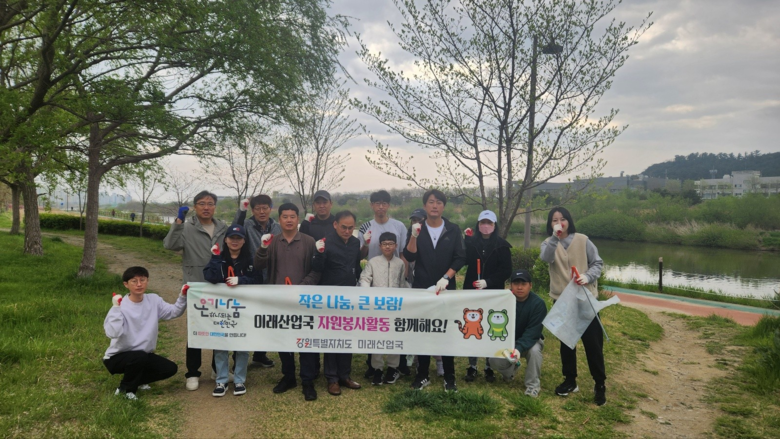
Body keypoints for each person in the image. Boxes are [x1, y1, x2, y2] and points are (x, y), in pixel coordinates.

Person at [254, 203, 322, 401]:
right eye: (285, 217)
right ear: (280, 219)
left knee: (305, 339)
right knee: (283, 339)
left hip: (303, 300)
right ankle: (288, 376)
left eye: (293, 216)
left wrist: (301, 288)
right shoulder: (273, 241)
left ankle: (307, 380)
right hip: (279, 300)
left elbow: (317, 270)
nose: (289, 220)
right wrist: (262, 248)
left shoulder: (309, 241)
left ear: (298, 219)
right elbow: (258, 265)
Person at [540, 206, 606, 406]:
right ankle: (570, 380)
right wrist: (554, 237)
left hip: (585, 299)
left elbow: (597, 263)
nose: (559, 223)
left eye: (562, 219)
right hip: (562, 300)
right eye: (554, 220)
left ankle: (600, 383)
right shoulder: (548, 243)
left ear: (569, 221)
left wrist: (587, 276)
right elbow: (546, 258)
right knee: (567, 343)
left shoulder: (583, 240)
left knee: (593, 344)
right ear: (550, 224)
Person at [163, 190, 228, 391]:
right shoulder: (187, 227)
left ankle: (218, 369)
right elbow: (169, 245)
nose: (206, 207)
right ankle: (192, 373)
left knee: (220, 327)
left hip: (219, 287)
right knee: (195, 330)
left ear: (215, 206)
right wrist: (178, 222)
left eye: (210, 203)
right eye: (202, 203)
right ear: (195, 206)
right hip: (196, 286)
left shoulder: (222, 227)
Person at [403, 189, 466, 392]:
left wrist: (447, 277)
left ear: (443, 206)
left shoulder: (453, 229)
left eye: (439, 202)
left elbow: (460, 257)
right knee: (423, 330)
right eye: (431, 202)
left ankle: (449, 376)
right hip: (422, 288)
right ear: (425, 206)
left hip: (445, 288)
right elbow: (410, 257)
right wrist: (414, 236)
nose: (435, 205)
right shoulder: (417, 228)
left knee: (446, 330)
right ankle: (422, 375)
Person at [103, 266, 188, 400]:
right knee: (139, 356)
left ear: (147, 281)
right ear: (126, 284)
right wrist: (116, 308)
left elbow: (173, 312)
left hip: (143, 355)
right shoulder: (121, 305)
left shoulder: (153, 300)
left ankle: (137, 380)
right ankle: (125, 390)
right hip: (117, 357)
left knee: (170, 368)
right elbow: (113, 333)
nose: (139, 284)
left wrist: (183, 296)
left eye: (142, 280)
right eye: (134, 281)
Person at [203, 224, 262, 397]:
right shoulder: (219, 257)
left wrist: (241, 280)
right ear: (226, 240)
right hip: (222, 309)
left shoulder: (250, 260)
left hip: (243, 309)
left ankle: (239, 379)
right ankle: (221, 380)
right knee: (220, 345)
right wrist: (215, 258)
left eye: (239, 238)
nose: (235, 241)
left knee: (242, 345)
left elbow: (258, 280)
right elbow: (210, 277)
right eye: (231, 238)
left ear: (244, 241)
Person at [357, 190, 408, 379]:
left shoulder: (399, 226)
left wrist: (405, 281)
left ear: (388, 205)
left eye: (384, 203)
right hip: (374, 287)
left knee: (394, 328)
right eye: (377, 203)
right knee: (374, 328)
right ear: (371, 205)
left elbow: (402, 254)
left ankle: (395, 366)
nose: (380, 206)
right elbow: (360, 255)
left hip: (394, 290)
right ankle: (374, 366)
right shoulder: (365, 227)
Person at [462, 210, 512, 383]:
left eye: (489, 223)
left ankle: (489, 365)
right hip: (472, 290)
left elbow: (506, 270)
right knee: (473, 327)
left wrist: (488, 282)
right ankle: (472, 365)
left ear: (494, 225)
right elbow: (464, 260)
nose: (485, 226)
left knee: (490, 326)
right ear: (478, 224)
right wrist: (466, 241)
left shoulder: (502, 246)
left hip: (493, 292)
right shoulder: (472, 242)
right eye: (482, 222)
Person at [317, 210, 363, 396]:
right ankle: (332, 378)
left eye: (351, 228)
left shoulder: (355, 242)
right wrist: (319, 253)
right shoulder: (325, 242)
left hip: (349, 296)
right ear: (335, 224)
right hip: (330, 297)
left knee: (347, 336)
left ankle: (345, 375)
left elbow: (356, 266)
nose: (347, 231)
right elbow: (317, 268)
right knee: (332, 337)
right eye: (344, 227)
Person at [233, 194, 280, 368]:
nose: (262, 212)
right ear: (252, 210)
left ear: (270, 209)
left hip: (272, 278)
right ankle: (238, 359)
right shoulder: (246, 225)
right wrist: (241, 211)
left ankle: (260, 354)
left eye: (265, 208)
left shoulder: (276, 227)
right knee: (245, 319)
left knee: (266, 319)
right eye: (258, 208)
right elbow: (234, 229)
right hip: (250, 276)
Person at [487, 270, 547, 397]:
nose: (519, 287)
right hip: (507, 341)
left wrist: (519, 348)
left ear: (530, 285)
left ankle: (532, 385)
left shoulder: (538, 304)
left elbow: (533, 332)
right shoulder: (503, 300)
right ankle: (511, 371)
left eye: (523, 284)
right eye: (516, 284)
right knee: (493, 359)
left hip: (531, 341)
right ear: (510, 285)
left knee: (535, 352)